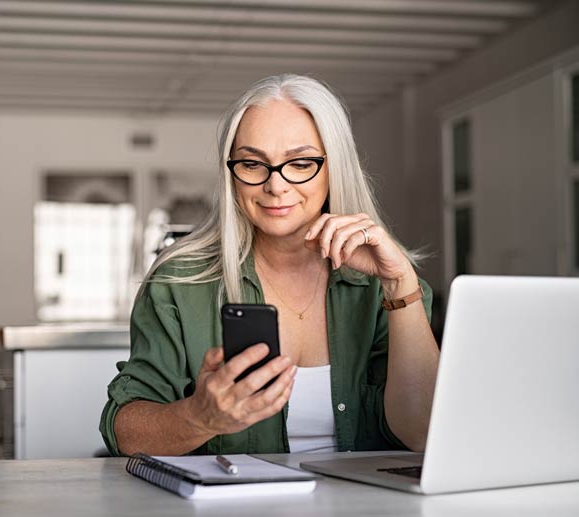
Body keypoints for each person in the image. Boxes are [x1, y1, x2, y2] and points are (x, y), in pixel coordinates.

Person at [100, 74, 439, 457]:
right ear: (232, 174)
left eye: (299, 163)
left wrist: (400, 286)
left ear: (334, 167)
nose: (275, 186)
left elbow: (424, 433)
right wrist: (199, 417)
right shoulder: (178, 282)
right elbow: (124, 432)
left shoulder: (389, 287)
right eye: (252, 163)